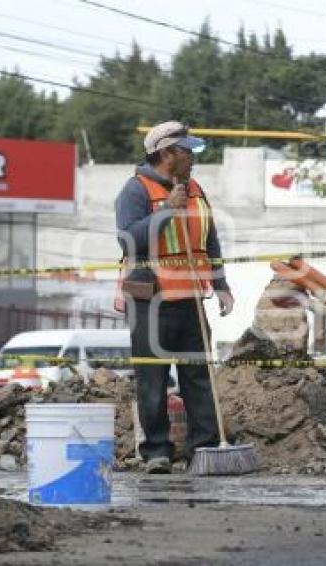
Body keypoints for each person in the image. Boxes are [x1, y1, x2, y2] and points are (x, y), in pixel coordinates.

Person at [115, 121, 234, 474]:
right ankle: (156, 451)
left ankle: (205, 448)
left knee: (198, 376)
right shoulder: (135, 191)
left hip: (192, 299)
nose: (194, 157)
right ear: (167, 154)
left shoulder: (195, 190)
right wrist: (166, 209)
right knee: (152, 378)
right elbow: (128, 241)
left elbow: (209, 241)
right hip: (150, 300)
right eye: (188, 151)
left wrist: (222, 283)